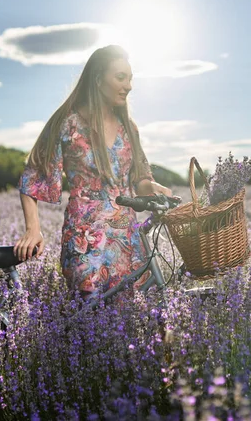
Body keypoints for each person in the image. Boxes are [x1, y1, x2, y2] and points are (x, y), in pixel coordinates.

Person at [14, 45, 173, 299]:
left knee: (133, 320)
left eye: (130, 78)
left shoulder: (129, 128)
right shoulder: (67, 123)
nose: (129, 85)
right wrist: (33, 229)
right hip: (86, 241)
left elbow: (140, 179)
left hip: (128, 238)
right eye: (120, 77)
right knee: (90, 316)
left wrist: (152, 187)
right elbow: (33, 176)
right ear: (98, 79)